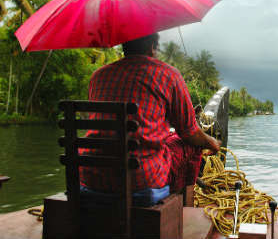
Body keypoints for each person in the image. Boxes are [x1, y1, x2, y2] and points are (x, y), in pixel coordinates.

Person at [79, 32, 220, 195]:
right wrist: (211, 142)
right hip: (141, 179)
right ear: (152, 47)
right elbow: (190, 132)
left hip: (91, 175)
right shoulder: (168, 74)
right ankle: (180, 204)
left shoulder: (98, 76)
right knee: (191, 145)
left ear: (125, 46)